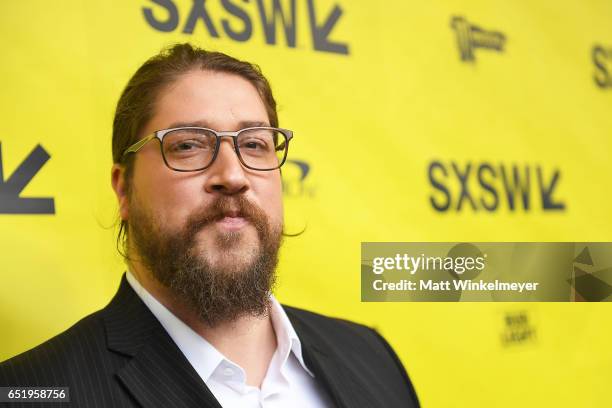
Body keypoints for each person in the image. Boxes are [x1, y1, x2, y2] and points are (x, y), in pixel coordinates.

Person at [0, 43, 419, 408]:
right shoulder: (32, 391)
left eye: (254, 144)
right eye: (188, 145)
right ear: (124, 189)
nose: (233, 175)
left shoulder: (372, 358)